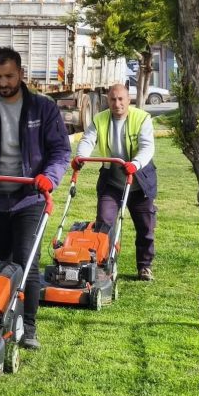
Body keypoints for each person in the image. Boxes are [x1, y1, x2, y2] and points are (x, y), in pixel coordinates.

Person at [0, 47, 71, 350]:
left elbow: (60, 150)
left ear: (21, 73)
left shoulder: (42, 108)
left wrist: (49, 177)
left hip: (30, 197)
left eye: (8, 76)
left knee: (27, 261)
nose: (3, 83)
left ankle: (28, 326)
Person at [73, 82, 158, 281]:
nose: (117, 103)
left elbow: (147, 147)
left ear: (129, 100)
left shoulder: (142, 118)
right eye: (113, 99)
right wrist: (81, 157)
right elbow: (88, 139)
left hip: (139, 182)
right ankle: (103, 264)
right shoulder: (100, 119)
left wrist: (135, 164)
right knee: (104, 223)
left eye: (121, 99)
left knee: (146, 228)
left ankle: (144, 266)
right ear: (107, 101)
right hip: (111, 182)